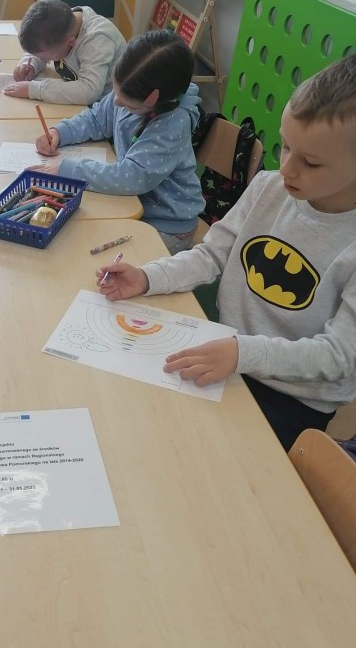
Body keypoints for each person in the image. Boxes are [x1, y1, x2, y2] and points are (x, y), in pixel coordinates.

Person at [96, 55, 356, 452]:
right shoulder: (269, 188)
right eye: (286, 146)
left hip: (291, 396)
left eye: (311, 162)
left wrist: (241, 352)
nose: (287, 168)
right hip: (225, 351)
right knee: (137, 419)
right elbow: (211, 255)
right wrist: (149, 277)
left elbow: (339, 356)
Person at [34, 30, 204, 253]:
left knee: (82, 253)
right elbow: (97, 118)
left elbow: (131, 177)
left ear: (152, 99)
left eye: (128, 105)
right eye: (115, 93)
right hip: (133, 207)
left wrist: (67, 170)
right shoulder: (132, 87)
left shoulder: (172, 125)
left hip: (165, 226)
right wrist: (60, 132)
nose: (116, 103)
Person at [5, 0, 126, 105]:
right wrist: (30, 64)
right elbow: (43, 48)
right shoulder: (62, 23)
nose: (43, 59)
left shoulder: (96, 41)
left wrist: (34, 89)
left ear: (70, 43)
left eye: (46, 58)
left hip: (110, 107)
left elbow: (88, 91)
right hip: (81, 101)